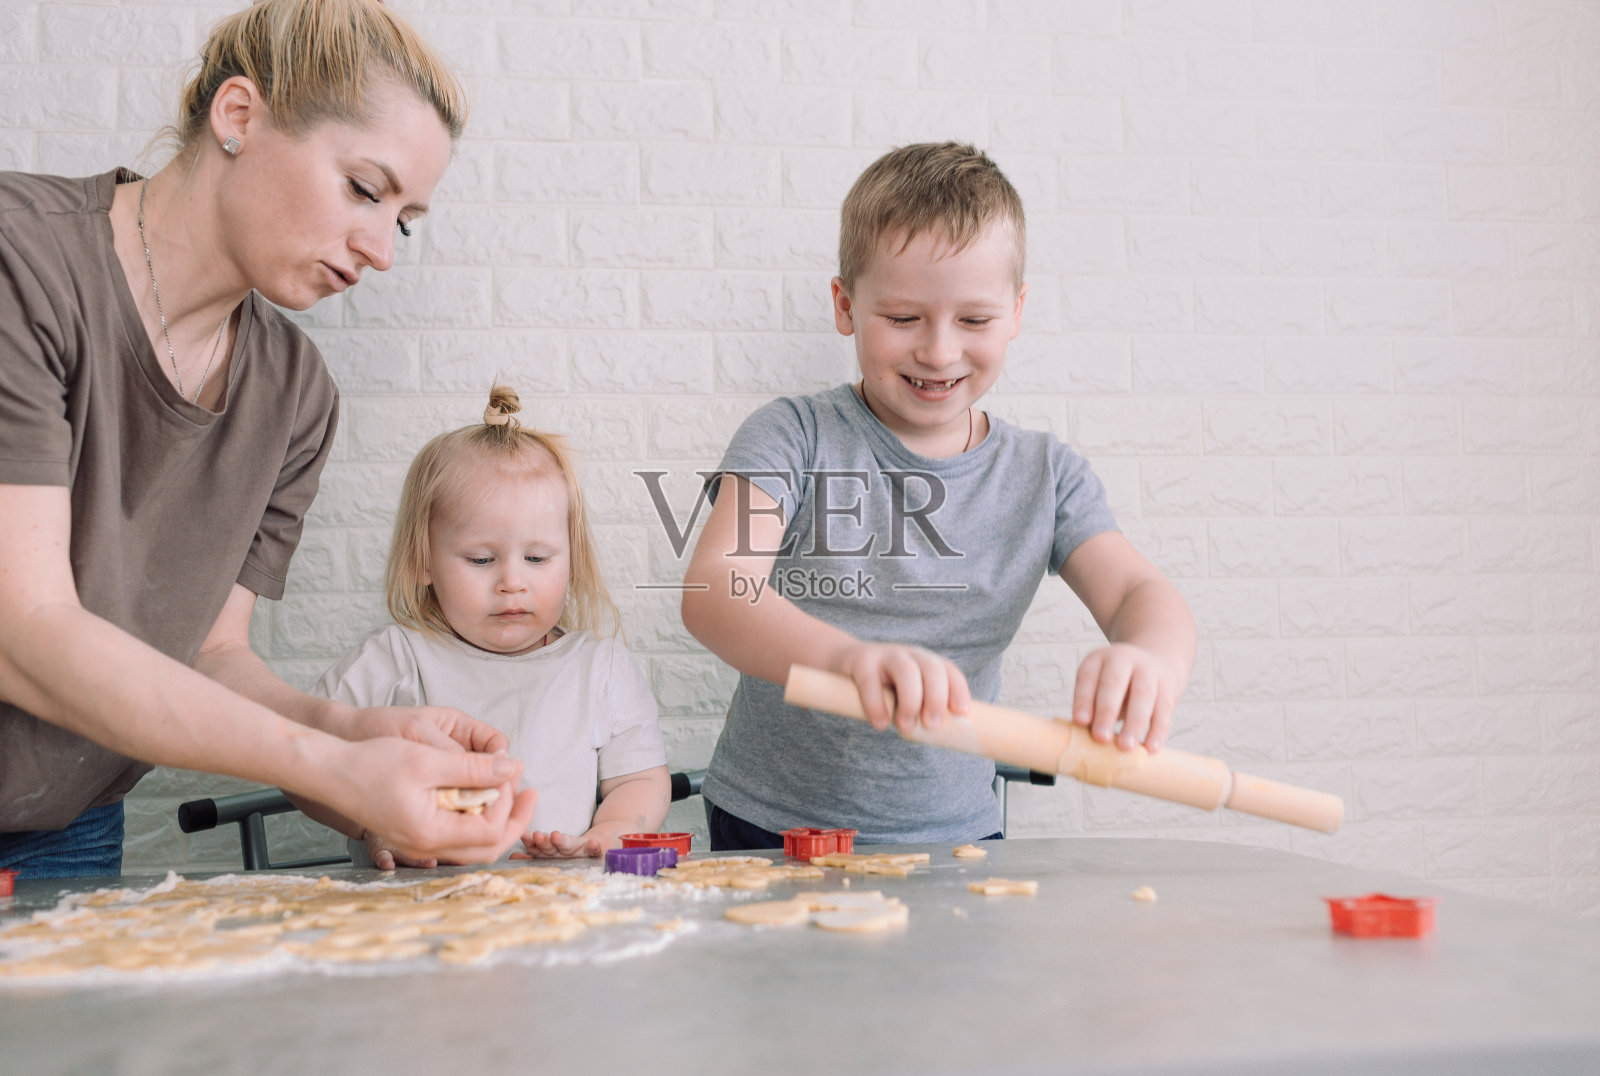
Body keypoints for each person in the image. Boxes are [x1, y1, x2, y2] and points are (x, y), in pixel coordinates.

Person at [0, 0, 536, 879]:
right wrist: (333, 767)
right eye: (366, 189)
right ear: (239, 116)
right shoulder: (20, 262)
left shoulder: (295, 397)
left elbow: (210, 655)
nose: (381, 251)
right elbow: (24, 634)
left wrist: (351, 731)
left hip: (68, 824)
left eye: (402, 218)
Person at [681, 142, 1198, 850]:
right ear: (845, 306)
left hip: (954, 836)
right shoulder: (790, 435)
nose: (939, 350)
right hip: (772, 826)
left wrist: (1151, 657)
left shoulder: (1046, 474)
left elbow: (1137, 589)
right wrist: (847, 659)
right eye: (903, 318)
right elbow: (716, 589)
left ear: (1016, 313)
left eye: (975, 321)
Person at [311, 386, 671, 871]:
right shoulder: (395, 661)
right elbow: (303, 759)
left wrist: (605, 834)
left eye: (538, 558)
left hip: (561, 919)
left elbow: (639, 781)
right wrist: (373, 825)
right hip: (417, 918)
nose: (512, 583)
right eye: (482, 559)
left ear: (571, 561)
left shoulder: (599, 667)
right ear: (424, 562)